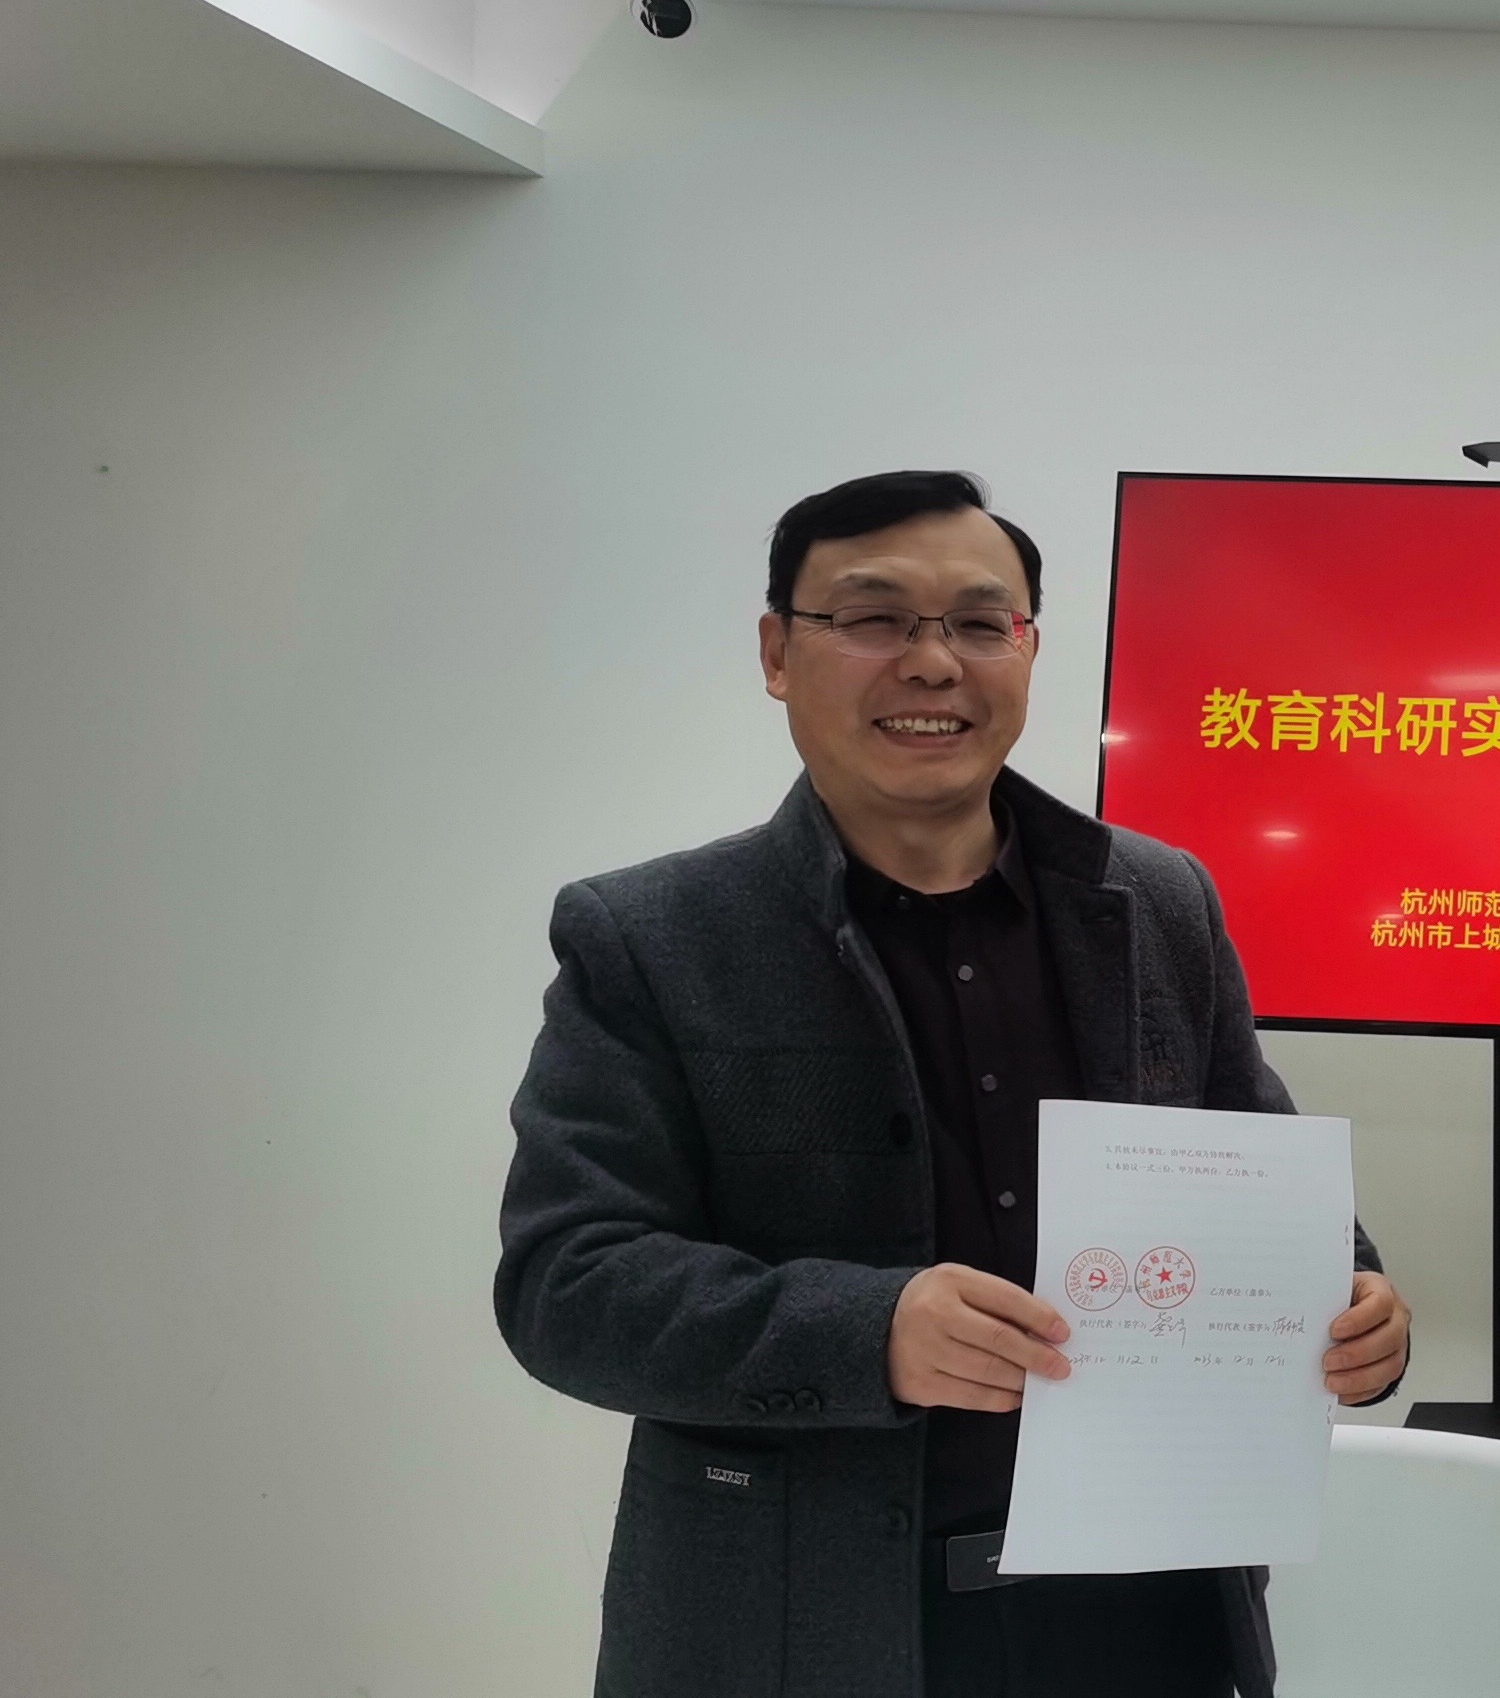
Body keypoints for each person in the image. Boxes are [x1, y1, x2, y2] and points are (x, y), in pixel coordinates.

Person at [495, 471, 1409, 1698]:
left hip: (1150, 1617)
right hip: (803, 1627)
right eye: (874, 617)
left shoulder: (1158, 902)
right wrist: (871, 1330)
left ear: (1027, 649)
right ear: (777, 652)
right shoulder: (655, 935)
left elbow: (1263, 1178)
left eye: (981, 622)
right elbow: (567, 1283)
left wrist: (1356, 1301)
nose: (933, 663)